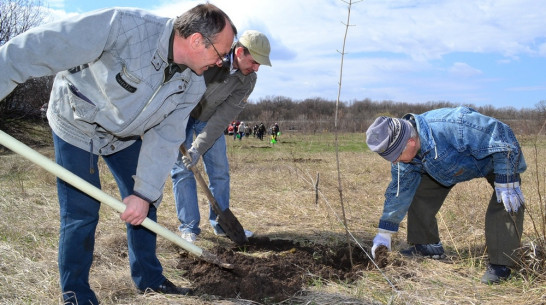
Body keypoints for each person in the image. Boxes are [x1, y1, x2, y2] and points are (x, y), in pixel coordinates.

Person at [0, 4, 236, 304]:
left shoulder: (192, 84)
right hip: (77, 122)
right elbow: (39, 47)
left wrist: (143, 192)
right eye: (221, 52)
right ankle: (76, 292)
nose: (221, 62)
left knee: (146, 203)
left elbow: (165, 137)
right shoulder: (123, 26)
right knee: (81, 211)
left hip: (123, 136)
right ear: (197, 40)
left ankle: (149, 280)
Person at [366, 107, 526, 284]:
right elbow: (398, 193)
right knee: (415, 189)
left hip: (493, 159)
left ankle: (501, 265)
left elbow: (501, 135)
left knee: (509, 200)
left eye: (396, 156)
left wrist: (506, 177)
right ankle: (427, 246)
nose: (395, 161)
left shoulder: (454, 124)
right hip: (444, 169)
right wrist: (385, 232)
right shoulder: (405, 159)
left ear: (410, 142)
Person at [171, 30, 271, 243]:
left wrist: (197, 148)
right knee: (182, 169)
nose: (256, 68)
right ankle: (189, 228)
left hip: (210, 120)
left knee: (220, 173)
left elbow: (222, 118)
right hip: (182, 115)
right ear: (240, 51)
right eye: (254, 62)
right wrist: (173, 118)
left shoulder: (248, 80)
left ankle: (221, 225)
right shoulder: (212, 54)